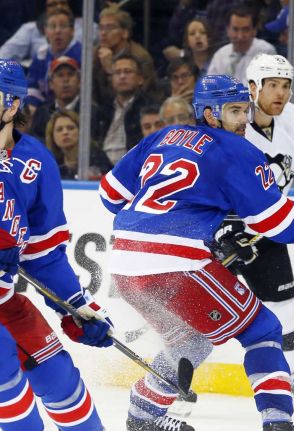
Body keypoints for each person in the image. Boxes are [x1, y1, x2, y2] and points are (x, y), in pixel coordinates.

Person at [99, 74, 294, 431]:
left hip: (124, 263)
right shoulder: (237, 149)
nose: (243, 119)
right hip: (177, 262)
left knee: (192, 340)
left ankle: (142, 416)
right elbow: (277, 222)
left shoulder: (161, 136)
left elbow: (109, 196)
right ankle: (278, 422)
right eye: (233, 111)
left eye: (245, 109)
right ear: (209, 114)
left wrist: (190, 203)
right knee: (262, 330)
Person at [0, 58, 113, 431]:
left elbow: (41, 255)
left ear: (12, 104)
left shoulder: (34, 162)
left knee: (61, 380)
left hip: (4, 301)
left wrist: (77, 308)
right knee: (9, 387)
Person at [211, 54, 294, 402]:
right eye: (272, 85)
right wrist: (223, 231)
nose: (280, 93)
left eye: (286, 85)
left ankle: (288, 371)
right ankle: (171, 381)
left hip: (269, 223)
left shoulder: (290, 116)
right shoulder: (233, 124)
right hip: (222, 228)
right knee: (202, 313)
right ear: (253, 88)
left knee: (284, 301)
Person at [92, 6, 158, 106]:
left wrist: (110, 71)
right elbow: (90, 93)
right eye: (101, 28)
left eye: (109, 28)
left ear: (125, 33)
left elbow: (134, 98)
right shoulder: (95, 53)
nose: (103, 33)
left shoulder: (141, 58)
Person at [101, 54, 154, 165]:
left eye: (128, 72)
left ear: (140, 79)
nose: (122, 76)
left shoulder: (148, 107)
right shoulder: (104, 108)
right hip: (101, 168)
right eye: (117, 73)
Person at [26, 7, 81, 108]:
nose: (58, 31)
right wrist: (31, 105)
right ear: (45, 31)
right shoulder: (40, 55)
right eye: (52, 26)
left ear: (72, 31)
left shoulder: (81, 54)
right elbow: (32, 86)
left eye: (63, 26)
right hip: (46, 109)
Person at [207, 7, 277, 84]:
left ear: (254, 31)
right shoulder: (220, 56)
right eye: (235, 29)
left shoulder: (266, 52)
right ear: (228, 30)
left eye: (245, 30)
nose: (240, 36)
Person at [45, 109, 112, 180]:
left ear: (81, 131)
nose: (65, 132)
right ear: (52, 136)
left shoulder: (96, 156)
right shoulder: (52, 162)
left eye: (70, 128)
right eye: (59, 129)